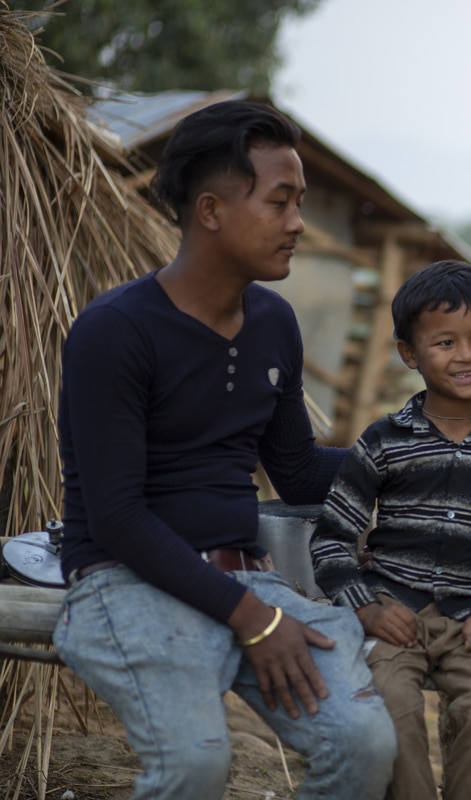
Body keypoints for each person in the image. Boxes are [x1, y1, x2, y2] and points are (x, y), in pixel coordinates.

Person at [53, 100, 396, 800]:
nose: (299, 222)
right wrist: (252, 619)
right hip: (125, 583)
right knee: (195, 766)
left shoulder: (274, 321)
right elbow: (116, 514)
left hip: (251, 582)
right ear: (210, 211)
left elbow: (295, 470)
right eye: (280, 202)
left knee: (362, 744)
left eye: (299, 201)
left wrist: (406, 466)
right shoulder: (114, 331)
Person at [309, 260, 471, 800]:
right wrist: (365, 607)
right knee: (388, 711)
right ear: (409, 353)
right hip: (393, 614)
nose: (467, 355)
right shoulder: (383, 441)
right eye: (445, 342)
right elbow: (331, 538)